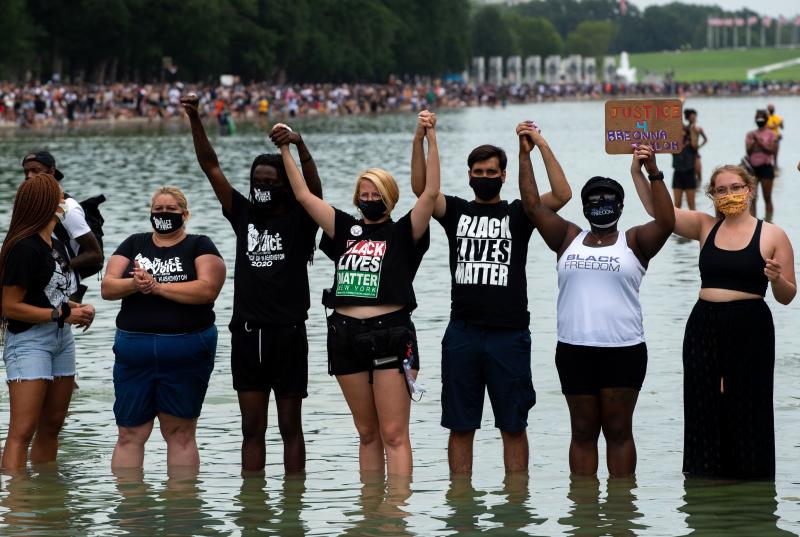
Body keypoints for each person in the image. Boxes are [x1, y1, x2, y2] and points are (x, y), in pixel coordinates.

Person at [279, 111, 439, 477]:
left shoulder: (404, 231)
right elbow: (303, 195)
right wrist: (286, 148)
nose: (369, 199)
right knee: (367, 434)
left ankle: (396, 508)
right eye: (363, 195)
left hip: (391, 333)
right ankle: (369, 509)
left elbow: (430, 192)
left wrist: (427, 137)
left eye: (376, 194)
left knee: (393, 434)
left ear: (389, 198)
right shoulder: (344, 228)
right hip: (345, 334)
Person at [411, 120, 572, 474]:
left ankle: (516, 500)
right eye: (478, 172)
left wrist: (538, 145)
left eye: (491, 172)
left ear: (503, 175)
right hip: (463, 333)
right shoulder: (455, 211)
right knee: (460, 426)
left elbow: (562, 195)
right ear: (469, 175)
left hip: (509, 335)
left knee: (513, 426)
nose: (485, 177)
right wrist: (423, 138)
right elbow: (422, 190)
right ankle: (460, 499)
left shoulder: (520, 212)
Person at [181, 93, 321, 473]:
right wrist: (195, 117)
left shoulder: (301, 218)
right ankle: (251, 502)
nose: (262, 186)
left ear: (284, 185)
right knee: (251, 428)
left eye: (270, 181)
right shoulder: (242, 213)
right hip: (248, 333)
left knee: (290, 427)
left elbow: (313, 191)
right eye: (257, 180)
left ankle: (293, 501)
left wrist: (298, 144)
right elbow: (210, 166)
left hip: (289, 333)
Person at [632, 163, 796, 479]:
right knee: (702, 400)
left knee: (748, 401)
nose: (729, 194)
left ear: (749, 190)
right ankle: (703, 475)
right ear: (712, 195)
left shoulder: (773, 234)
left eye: (735, 187)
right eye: (721, 190)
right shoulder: (704, 226)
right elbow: (658, 211)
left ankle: (750, 477)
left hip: (751, 326)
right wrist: (641, 173)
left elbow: (787, 296)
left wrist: (776, 280)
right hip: (703, 324)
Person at [522, 138, 674, 477]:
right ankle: (583, 506)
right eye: (593, 199)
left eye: (608, 198)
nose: (600, 203)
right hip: (574, 349)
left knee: (619, 431)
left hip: (623, 349)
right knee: (582, 432)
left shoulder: (634, 241)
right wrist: (526, 153)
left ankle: (622, 505)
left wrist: (653, 171)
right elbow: (532, 207)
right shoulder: (567, 238)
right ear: (583, 207)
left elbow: (666, 222)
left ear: (621, 205)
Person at [101, 186, 226, 469]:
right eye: (158, 210)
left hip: (186, 347)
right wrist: (135, 283)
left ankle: (182, 498)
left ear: (185, 214)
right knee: (129, 433)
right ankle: (129, 498)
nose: (164, 214)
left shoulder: (200, 244)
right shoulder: (134, 243)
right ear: (150, 213)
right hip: (135, 349)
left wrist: (157, 287)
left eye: (171, 210)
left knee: (180, 434)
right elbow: (108, 287)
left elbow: (208, 289)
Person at [0, 173, 96, 470]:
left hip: (61, 338)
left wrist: (77, 308)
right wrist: (60, 314)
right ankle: (16, 494)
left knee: (53, 424)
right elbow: (9, 306)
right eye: (61, 197)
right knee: (22, 430)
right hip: (28, 341)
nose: (66, 202)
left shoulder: (55, 243)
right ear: (47, 204)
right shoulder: (23, 248)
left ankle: (46, 492)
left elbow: (51, 295)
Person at [22, 151, 104, 302]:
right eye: (26, 171)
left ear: (52, 171)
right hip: (40, 283)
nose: (29, 176)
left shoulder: (69, 208)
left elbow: (96, 254)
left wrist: (58, 267)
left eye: (35, 170)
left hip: (63, 285)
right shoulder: (34, 205)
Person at [745, 110, 777, 220]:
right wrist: (754, 142)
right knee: (752, 198)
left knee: (767, 197)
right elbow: (748, 152)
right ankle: (753, 222)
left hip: (766, 167)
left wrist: (759, 142)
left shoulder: (771, 133)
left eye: (762, 118)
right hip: (752, 168)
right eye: (758, 118)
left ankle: (769, 220)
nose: (760, 120)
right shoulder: (750, 134)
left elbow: (772, 150)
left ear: (766, 119)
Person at [671, 109, 701, 210]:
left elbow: (695, 145)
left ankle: (694, 221)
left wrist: (692, 128)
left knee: (691, 205)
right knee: (677, 205)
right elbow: (676, 122)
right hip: (678, 172)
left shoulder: (693, 134)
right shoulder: (674, 142)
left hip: (689, 172)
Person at [766, 104, 783, 170]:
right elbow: (766, 127)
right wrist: (776, 125)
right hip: (768, 139)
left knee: (775, 156)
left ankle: (775, 168)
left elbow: (782, 127)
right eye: (770, 108)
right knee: (768, 155)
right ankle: (770, 168)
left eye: (772, 108)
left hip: (776, 138)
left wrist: (781, 122)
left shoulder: (777, 117)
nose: (771, 110)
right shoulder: (766, 117)